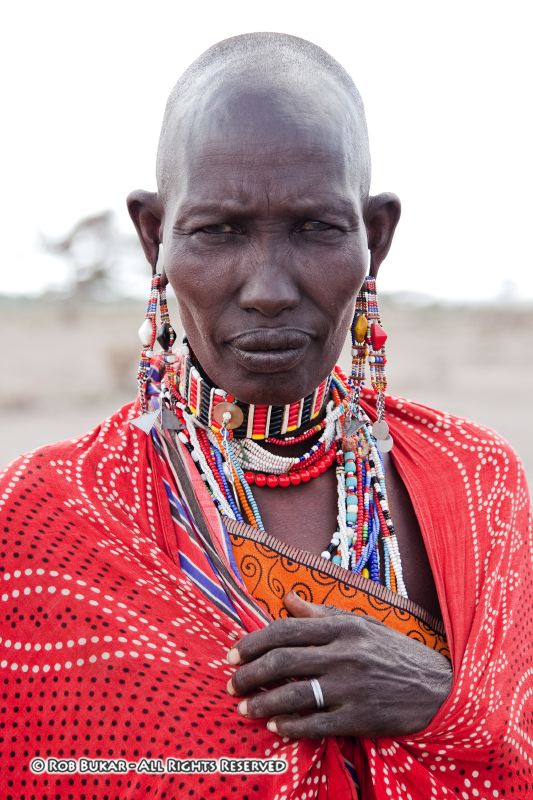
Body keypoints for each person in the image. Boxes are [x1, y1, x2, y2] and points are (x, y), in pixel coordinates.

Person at [0, 31, 531, 800]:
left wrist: (442, 702)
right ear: (154, 235)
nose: (268, 287)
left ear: (374, 237)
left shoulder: (474, 485)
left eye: (316, 228)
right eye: (219, 231)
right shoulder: (46, 515)